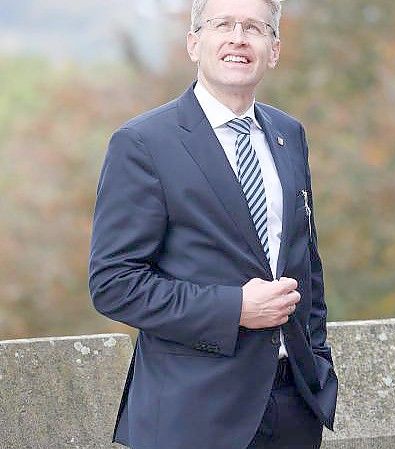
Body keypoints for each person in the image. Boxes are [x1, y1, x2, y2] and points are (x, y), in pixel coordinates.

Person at [88, 0, 337, 447]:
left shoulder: (289, 134)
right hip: (192, 415)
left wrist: (317, 362)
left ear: (274, 49)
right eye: (222, 24)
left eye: (255, 28)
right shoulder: (143, 143)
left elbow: (306, 265)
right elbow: (113, 283)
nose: (238, 37)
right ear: (194, 43)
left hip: (292, 409)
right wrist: (234, 308)